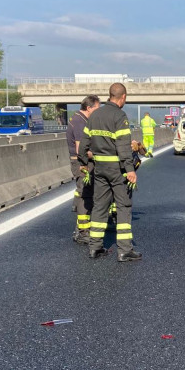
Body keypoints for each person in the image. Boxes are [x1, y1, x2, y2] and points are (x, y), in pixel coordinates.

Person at [78, 83, 142, 262]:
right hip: (116, 169)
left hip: (99, 168)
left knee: (100, 206)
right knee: (123, 206)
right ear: (122, 97)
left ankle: (95, 247)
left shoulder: (95, 115)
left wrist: (83, 162)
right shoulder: (119, 116)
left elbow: (84, 141)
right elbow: (123, 146)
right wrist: (130, 170)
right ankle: (125, 250)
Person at [66, 95, 100, 244]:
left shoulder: (82, 119)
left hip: (82, 162)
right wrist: (100, 154)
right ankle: (82, 232)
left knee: (86, 194)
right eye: (96, 109)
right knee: (84, 195)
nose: (98, 112)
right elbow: (81, 149)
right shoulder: (80, 122)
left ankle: (81, 230)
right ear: (89, 108)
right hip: (81, 163)